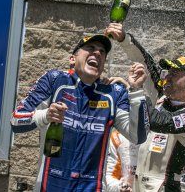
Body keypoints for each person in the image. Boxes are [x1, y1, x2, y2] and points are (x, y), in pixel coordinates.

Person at [10, 34, 148, 192]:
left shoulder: (114, 93)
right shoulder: (54, 80)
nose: (97, 53)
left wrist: (136, 91)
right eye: (90, 48)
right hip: (50, 185)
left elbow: (138, 136)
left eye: (102, 52)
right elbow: (15, 121)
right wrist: (46, 115)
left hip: (91, 187)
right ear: (72, 59)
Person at [104, 23, 185, 192]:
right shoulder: (161, 97)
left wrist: (135, 91)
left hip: (166, 188)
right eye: (168, 72)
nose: (167, 77)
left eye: (174, 74)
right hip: (137, 184)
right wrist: (124, 40)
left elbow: (160, 122)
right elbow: (145, 62)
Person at [101, 77, 140, 192]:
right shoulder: (115, 137)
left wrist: (130, 87)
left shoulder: (155, 129)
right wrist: (120, 187)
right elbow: (106, 177)